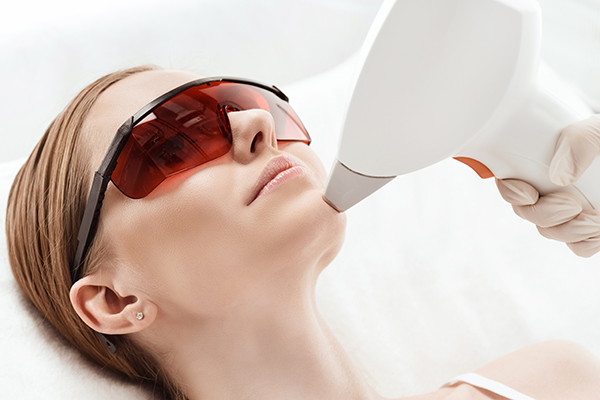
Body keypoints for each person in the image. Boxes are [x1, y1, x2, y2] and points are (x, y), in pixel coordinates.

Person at [5, 65, 600, 400]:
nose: (257, 124)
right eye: (173, 140)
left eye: (248, 101)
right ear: (115, 300)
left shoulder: (552, 385)